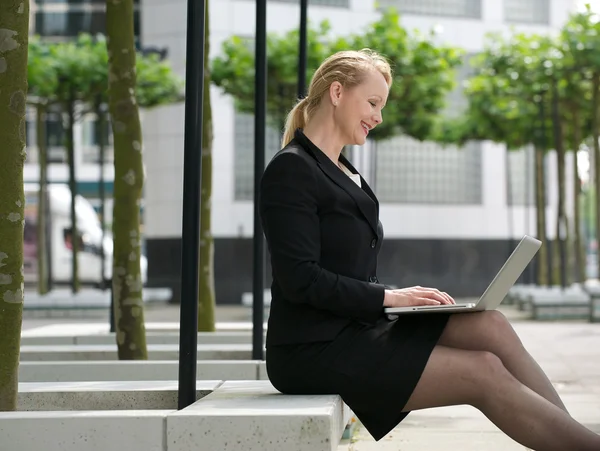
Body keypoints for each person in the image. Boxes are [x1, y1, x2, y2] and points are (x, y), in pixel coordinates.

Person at [258, 48, 600, 450]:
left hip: (357, 327)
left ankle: (573, 437)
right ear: (337, 92)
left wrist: (403, 302)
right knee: (483, 372)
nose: (378, 117)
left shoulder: (345, 171)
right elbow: (301, 279)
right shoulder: (292, 168)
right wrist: (389, 297)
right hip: (312, 348)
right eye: (372, 103)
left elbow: (350, 268)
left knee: (490, 325)